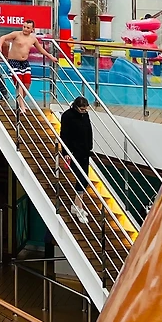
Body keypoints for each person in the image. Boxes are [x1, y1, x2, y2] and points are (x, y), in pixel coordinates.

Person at [59, 96, 94, 225]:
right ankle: (79, 207)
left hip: (84, 152)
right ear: (76, 107)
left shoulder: (85, 115)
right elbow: (64, 135)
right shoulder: (67, 116)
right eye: (82, 109)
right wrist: (66, 152)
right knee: (81, 178)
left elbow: (89, 131)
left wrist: (90, 147)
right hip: (73, 152)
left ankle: (76, 205)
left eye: (86, 109)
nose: (84, 111)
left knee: (85, 179)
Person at [0, 19, 48, 86]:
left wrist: (50, 56)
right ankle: (19, 92)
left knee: (27, 83)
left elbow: (41, 50)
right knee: (19, 83)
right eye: (24, 27)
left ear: (32, 29)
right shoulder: (16, 34)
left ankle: (22, 93)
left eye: (28, 28)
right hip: (14, 61)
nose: (25, 29)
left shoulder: (33, 39)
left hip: (24, 62)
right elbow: (3, 37)